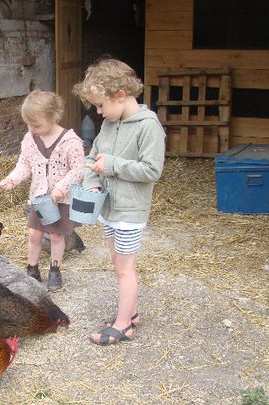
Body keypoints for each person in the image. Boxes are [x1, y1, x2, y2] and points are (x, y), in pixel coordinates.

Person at [72, 58, 165, 345]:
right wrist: (92, 183)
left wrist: (111, 165)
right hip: (109, 209)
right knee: (117, 263)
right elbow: (91, 158)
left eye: (101, 105)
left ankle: (123, 325)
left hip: (130, 211)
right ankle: (131, 313)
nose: (99, 112)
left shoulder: (148, 126)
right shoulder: (110, 124)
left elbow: (152, 170)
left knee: (125, 269)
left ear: (121, 95)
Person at [0, 90, 85, 291]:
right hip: (39, 198)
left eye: (36, 125)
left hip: (61, 199)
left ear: (54, 118)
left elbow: (78, 170)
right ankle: (32, 269)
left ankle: (55, 269)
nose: (32, 129)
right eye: (29, 124)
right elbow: (24, 164)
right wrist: (12, 179)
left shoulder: (70, 142)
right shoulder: (30, 139)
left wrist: (60, 189)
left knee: (56, 236)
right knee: (34, 235)